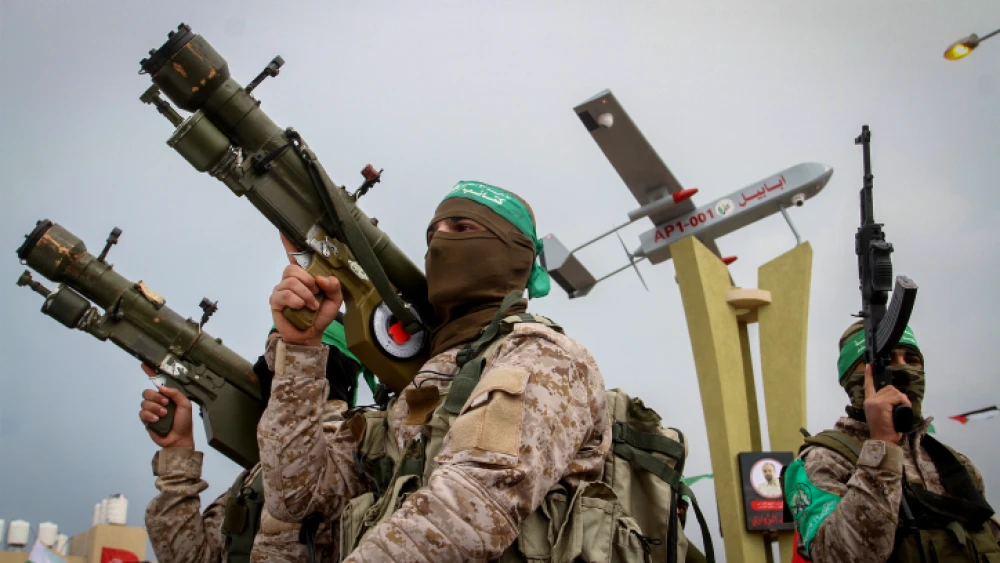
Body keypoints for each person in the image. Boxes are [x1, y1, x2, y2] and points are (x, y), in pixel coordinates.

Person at [258, 181, 624, 561]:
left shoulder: (544, 356)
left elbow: (467, 514)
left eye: (463, 229)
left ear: (514, 253)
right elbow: (296, 496)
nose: (439, 244)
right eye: (433, 233)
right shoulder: (418, 389)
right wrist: (300, 350)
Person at [140, 318, 373, 563]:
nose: (265, 365)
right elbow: (194, 558)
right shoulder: (257, 477)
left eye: (280, 351)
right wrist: (179, 450)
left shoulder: (355, 460)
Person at [783, 320, 1000, 562]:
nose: (903, 369)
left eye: (912, 359)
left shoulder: (953, 462)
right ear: (852, 377)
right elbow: (842, 556)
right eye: (885, 361)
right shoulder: (823, 461)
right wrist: (882, 448)